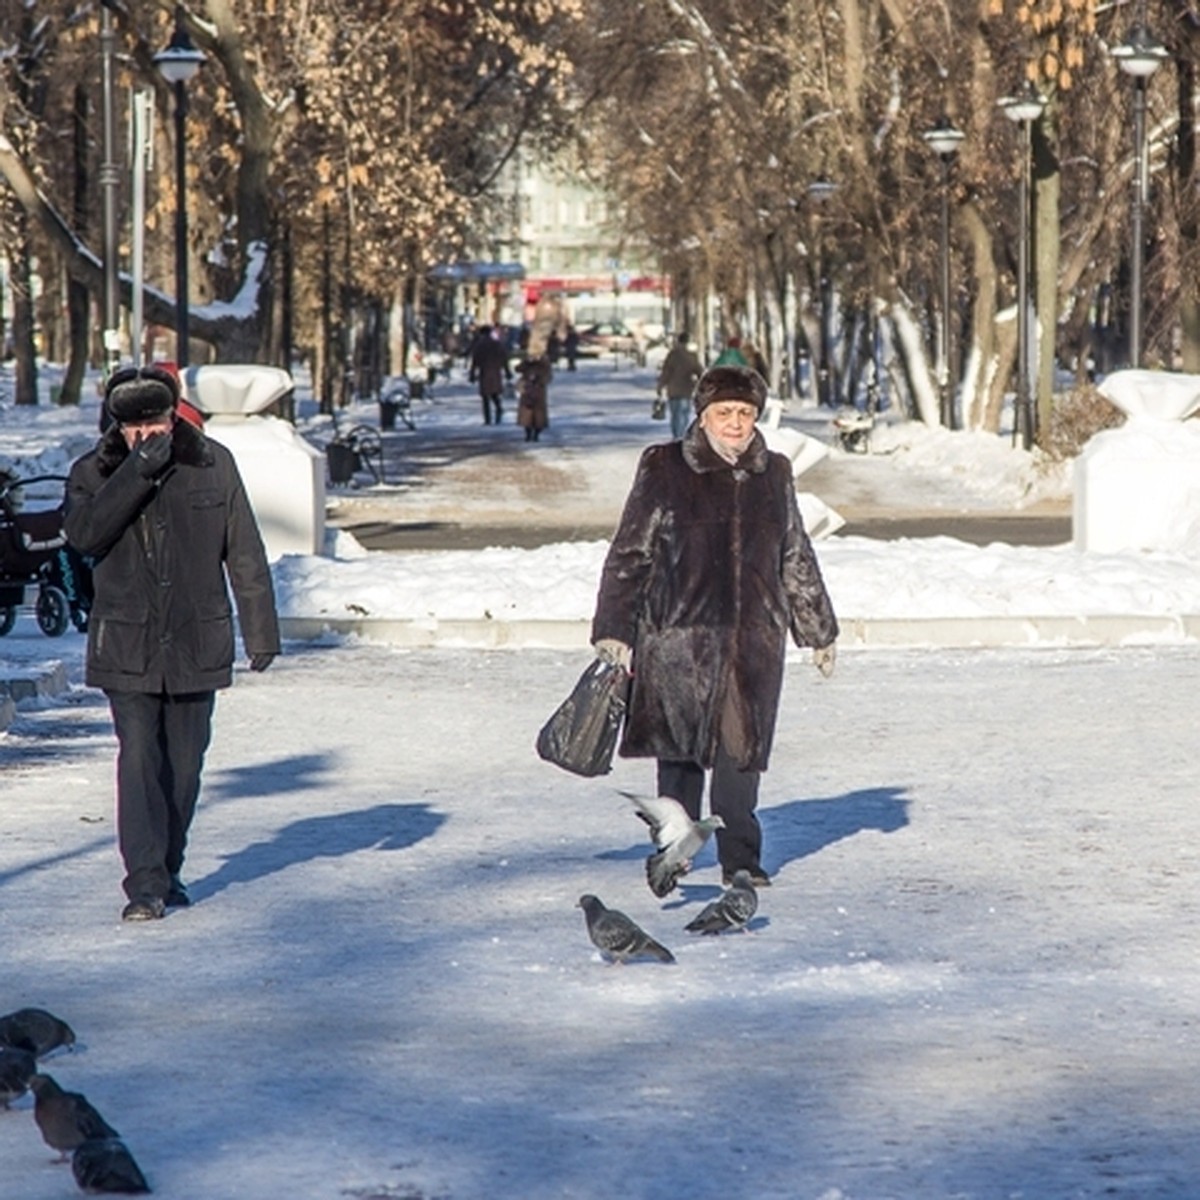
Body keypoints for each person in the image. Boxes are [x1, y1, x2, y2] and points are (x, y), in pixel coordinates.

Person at [590, 364, 838, 888]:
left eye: (744, 413)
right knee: (679, 757)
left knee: (741, 754)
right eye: (724, 412)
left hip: (753, 642)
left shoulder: (774, 472)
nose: (735, 423)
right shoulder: (664, 466)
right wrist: (614, 626)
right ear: (703, 415)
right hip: (678, 639)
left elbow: (795, 551)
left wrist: (818, 629)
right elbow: (630, 552)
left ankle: (741, 860)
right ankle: (674, 853)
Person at [64, 365, 280, 922]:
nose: (145, 434)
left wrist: (261, 631)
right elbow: (86, 536)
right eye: (132, 427)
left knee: (184, 766)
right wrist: (134, 473)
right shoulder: (93, 472)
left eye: (153, 422)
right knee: (139, 758)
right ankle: (145, 884)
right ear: (118, 427)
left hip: (195, 638)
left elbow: (245, 550)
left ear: (172, 416)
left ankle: (168, 864)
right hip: (126, 644)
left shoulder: (212, 464)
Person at [656, 332, 704, 439]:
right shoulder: (691, 356)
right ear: (687, 342)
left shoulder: (672, 355)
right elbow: (699, 371)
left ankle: (676, 435)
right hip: (686, 389)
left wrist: (660, 385)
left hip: (672, 390)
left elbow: (666, 372)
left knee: (675, 415)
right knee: (684, 414)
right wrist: (701, 383)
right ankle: (681, 435)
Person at [468, 325, 511, 424]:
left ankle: (488, 419)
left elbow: (475, 361)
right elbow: (504, 359)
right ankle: (499, 409)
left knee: (485, 397)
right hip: (496, 372)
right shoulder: (497, 344)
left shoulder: (479, 345)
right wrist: (507, 371)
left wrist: (472, 374)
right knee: (495, 394)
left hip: (484, 373)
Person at [516, 353, 552, 442]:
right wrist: (527, 361)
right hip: (527, 390)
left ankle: (536, 434)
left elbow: (548, 376)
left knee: (539, 416)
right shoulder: (527, 361)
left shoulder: (544, 361)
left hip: (538, 391)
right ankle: (528, 434)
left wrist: (539, 379)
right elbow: (518, 369)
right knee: (527, 414)